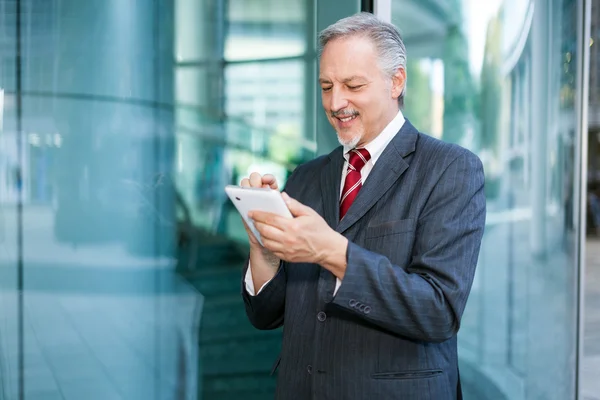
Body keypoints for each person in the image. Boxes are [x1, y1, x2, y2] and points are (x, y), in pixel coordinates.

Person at [239, 12, 486, 400]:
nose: (337, 102)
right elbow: (265, 315)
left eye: (353, 85)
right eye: (326, 86)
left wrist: (332, 251)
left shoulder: (451, 169)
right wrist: (264, 250)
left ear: (396, 81)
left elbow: (439, 310)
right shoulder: (305, 177)